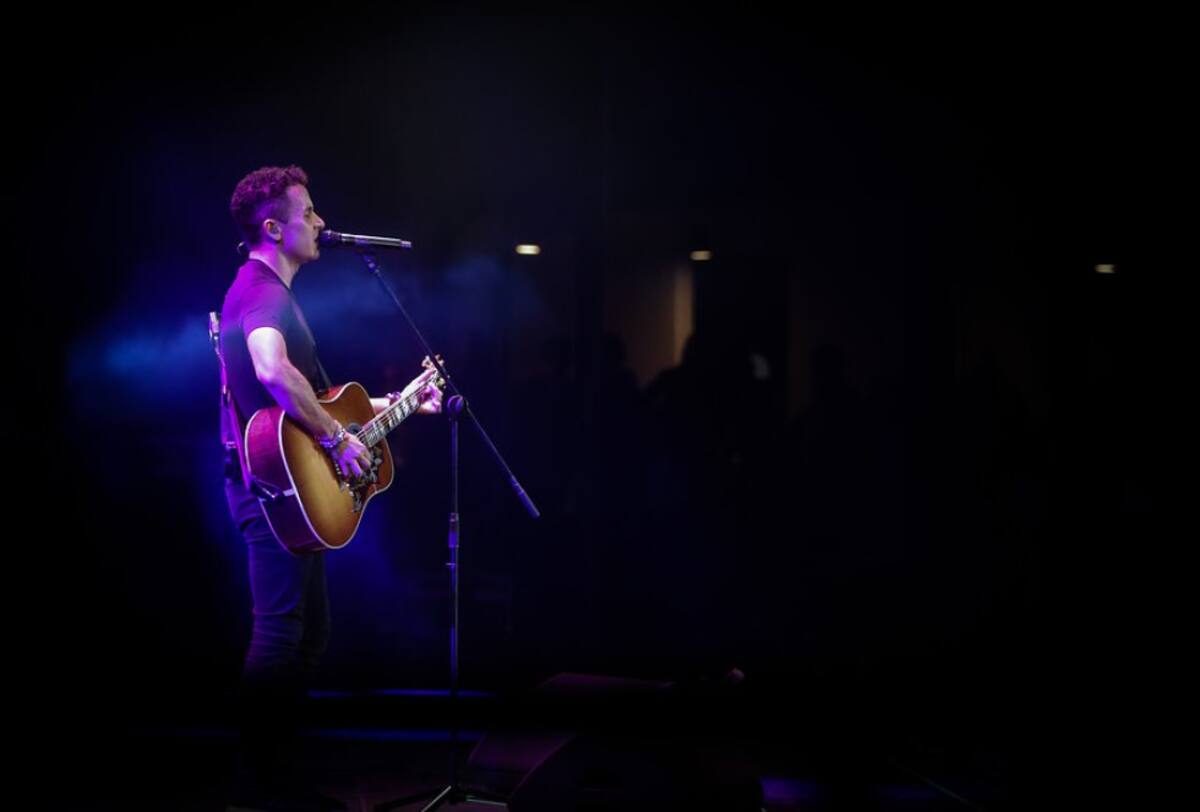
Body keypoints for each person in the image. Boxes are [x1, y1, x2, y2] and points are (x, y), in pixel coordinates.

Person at [218, 165, 441, 810]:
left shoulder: (269, 292)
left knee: (308, 633)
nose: (320, 222)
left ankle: (278, 777)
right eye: (309, 212)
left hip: (289, 488)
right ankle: (255, 789)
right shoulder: (260, 291)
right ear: (273, 228)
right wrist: (339, 439)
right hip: (271, 492)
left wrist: (402, 402)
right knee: (280, 634)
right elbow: (271, 368)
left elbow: (321, 404)